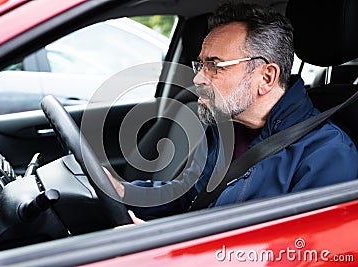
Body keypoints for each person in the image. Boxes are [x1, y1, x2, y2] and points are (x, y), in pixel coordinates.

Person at [106, 2, 358, 220]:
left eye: (215, 65)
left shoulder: (328, 155)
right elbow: (190, 196)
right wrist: (124, 191)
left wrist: (170, 249)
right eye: (200, 64)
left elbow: (297, 252)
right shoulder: (224, 126)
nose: (198, 79)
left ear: (266, 77)